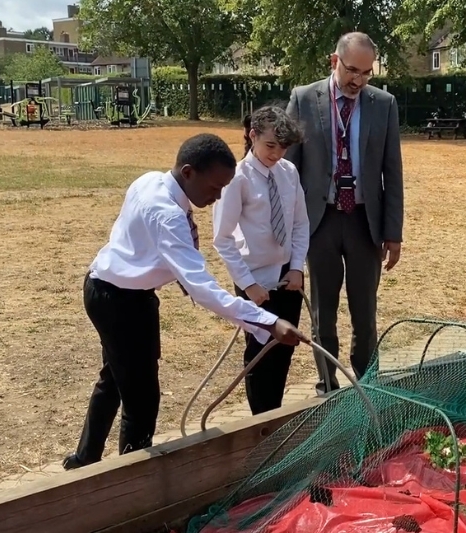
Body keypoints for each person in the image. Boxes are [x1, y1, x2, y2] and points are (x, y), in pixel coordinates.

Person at [63, 133, 308, 471]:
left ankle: (84, 460)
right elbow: (203, 289)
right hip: (117, 300)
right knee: (142, 399)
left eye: (224, 188)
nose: (218, 196)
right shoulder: (168, 216)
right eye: (214, 188)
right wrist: (268, 321)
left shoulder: (150, 180)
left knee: (116, 378)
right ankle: (130, 480)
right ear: (189, 172)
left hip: (120, 290)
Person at [285, 32, 404, 394]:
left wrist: (393, 232)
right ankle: (327, 383)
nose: (359, 80)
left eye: (367, 73)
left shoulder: (383, 104)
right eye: (352, 70)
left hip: (364, 221)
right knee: (323, 311)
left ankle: (368, 384)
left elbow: (392, 171)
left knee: (365, 311)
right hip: (318, 220)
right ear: (334, 61)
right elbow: (288, 169)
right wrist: (288, 230)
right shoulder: (304, 99)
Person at [212, 105, 308, 415]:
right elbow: (222, 238)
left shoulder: (289, 173)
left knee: (284, 346)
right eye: (270, 145)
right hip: (254, 279)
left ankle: (275, 413)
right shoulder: (237, 179)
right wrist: (248, 284)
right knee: (259, 351)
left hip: (286, 278)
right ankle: (259, 420)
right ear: (252, 135)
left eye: (283, 147)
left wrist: (296, 268)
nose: (277, 153)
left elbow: (299, 224)